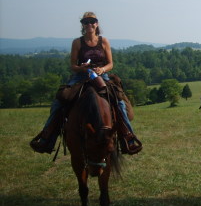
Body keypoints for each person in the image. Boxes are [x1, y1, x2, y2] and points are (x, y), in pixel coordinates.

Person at [30, 12, 142, 155]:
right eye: (86, 22)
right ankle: (47, 138)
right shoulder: (77, 42)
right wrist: (81, 68)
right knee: (60, 101)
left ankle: (128, 138)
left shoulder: (104, 41)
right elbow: (73, 65)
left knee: (119, 102)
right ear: (82, 25)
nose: (89, 24)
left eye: (92, 21)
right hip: (81, 76)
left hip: (101, 75)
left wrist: (102, 69)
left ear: (97, 24)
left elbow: (110, 63)